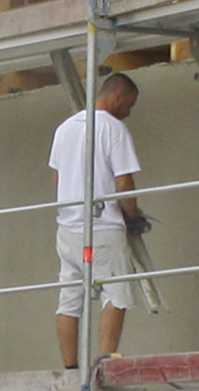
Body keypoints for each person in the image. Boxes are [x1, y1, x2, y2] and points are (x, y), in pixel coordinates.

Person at [47, 69, 143, 368]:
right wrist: (134, 216)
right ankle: (104, 365)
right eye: (128, 105)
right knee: (117, 294)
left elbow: (56, 178)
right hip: (103, 227)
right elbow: (124, 182)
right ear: (117, 96)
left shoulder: (64, 129)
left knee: (69, 299)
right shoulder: (113, 129)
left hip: (68, 228)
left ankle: (71, 370)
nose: (128, 113)